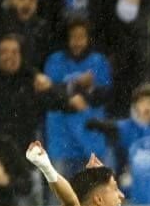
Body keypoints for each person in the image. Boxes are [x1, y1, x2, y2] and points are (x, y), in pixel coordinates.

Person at [43, 17, 113, 177]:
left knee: (96, 196)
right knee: (61, 197)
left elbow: (105, 94)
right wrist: (77, 87)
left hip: (92, 141)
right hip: (61, 141)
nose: (77, 42)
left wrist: (84, 93)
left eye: (82, 37)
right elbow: (49, 94)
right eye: (73, 37)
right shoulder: (55, 61)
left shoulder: (99, 61)